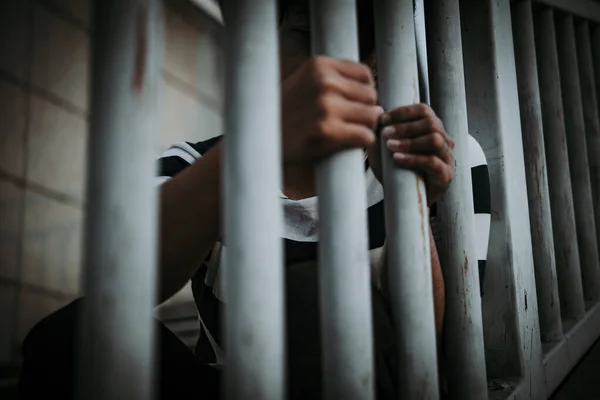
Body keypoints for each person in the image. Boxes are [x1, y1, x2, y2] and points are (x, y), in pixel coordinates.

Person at [18, 1, 491, 399]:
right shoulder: (196, 163)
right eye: (310, 33)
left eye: (378, 43)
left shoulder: (446, 156)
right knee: (71, 337)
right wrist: (261, 140)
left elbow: (433, 361)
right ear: (262, 43)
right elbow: (118, 282)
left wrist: (407, 201)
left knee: (321, 298)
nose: (358, 67)